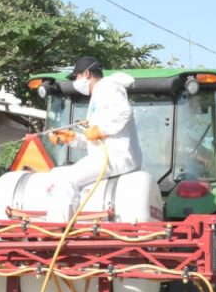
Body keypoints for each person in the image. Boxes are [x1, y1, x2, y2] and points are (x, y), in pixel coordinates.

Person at [44, 56, 142, 222]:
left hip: (117, 157)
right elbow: (97, 139)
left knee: (66, 179)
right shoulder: (98, 95)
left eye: (76, 77)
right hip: (107, 156)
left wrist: (100, 130)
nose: (75, 82)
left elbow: (124, 113)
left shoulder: (107, 87)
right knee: (57, 173)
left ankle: (56, 229)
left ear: (87, 73)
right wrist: (72, 138)